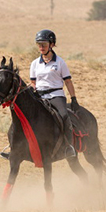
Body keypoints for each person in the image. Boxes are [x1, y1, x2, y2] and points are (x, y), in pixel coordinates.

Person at [30, 29, 79, 158]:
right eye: (39, 44)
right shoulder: (34, 63)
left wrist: (73, 99)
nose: (41, 47)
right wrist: (33, 89)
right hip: (39, 96)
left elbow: (68, 82)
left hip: (56, 95)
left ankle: (69, 146)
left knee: (63, 116)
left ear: (51, 44)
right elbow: (33, 82)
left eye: (44, 44)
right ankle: (16, 148)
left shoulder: (60, 62)